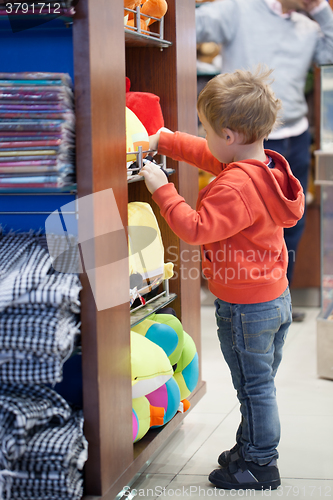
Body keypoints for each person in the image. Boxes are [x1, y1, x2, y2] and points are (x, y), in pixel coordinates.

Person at [139, 67, 304, 490]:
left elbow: (195, 228)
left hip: (246, 308)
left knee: (254, 389)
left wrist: (162, 189)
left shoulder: (235, 188)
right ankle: (250, 447)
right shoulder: (261, 168)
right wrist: (167, 140)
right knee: (258, 383)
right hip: (273, 298)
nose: (205, 136)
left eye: (206, 129)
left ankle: (260, 463)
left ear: (229, 134)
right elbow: (207, 155)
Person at [196, 0, 333, 322]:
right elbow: (190, 26)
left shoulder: (310, 26)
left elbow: (330, 57)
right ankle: (245, 302)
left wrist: (322, 11)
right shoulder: (238, 9)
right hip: (241, 139)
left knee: (289, 223)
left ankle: (277, 297)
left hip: (294, 136)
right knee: (244, 224)